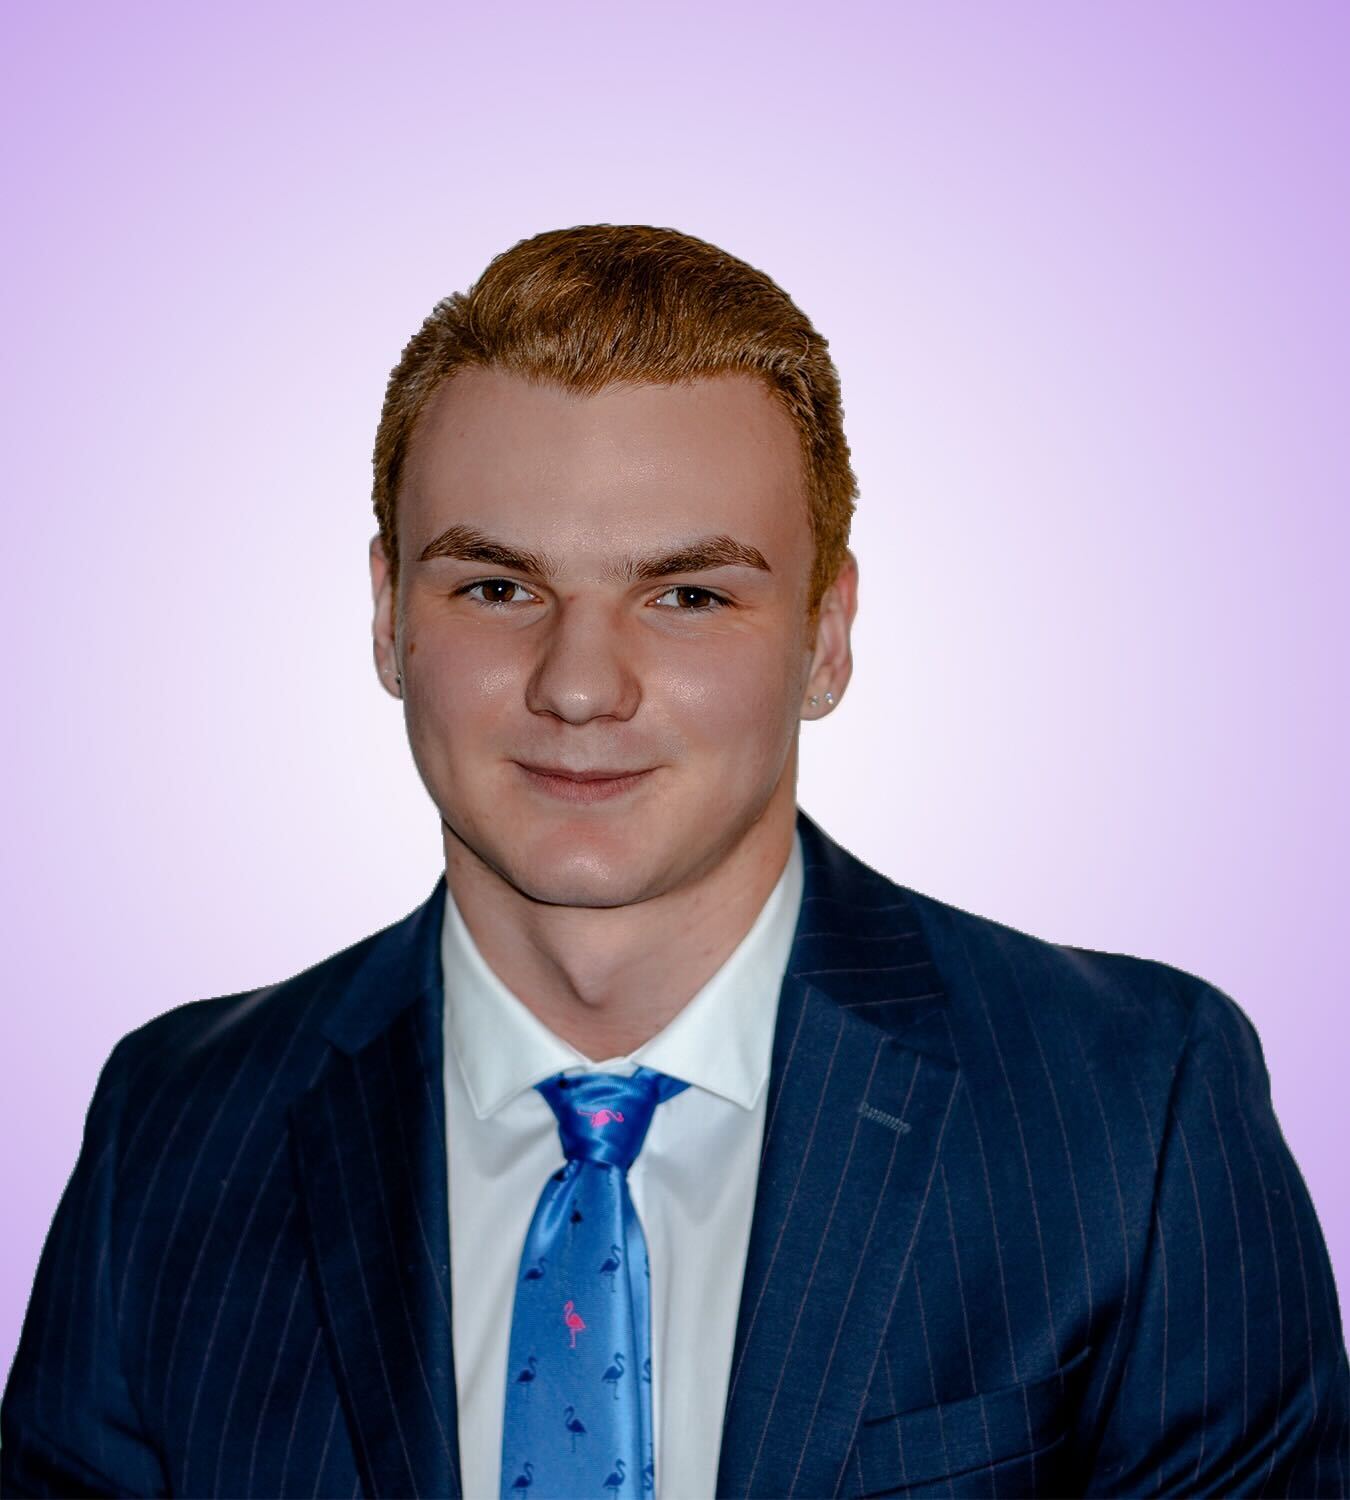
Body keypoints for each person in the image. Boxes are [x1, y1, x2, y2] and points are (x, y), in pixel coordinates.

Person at [2, 224, 1346, 1500]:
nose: (580, 685)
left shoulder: (1131, 1113)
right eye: (496, 587)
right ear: (385, 619)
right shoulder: (173, 1130)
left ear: (824, 637)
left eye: (687, 595)